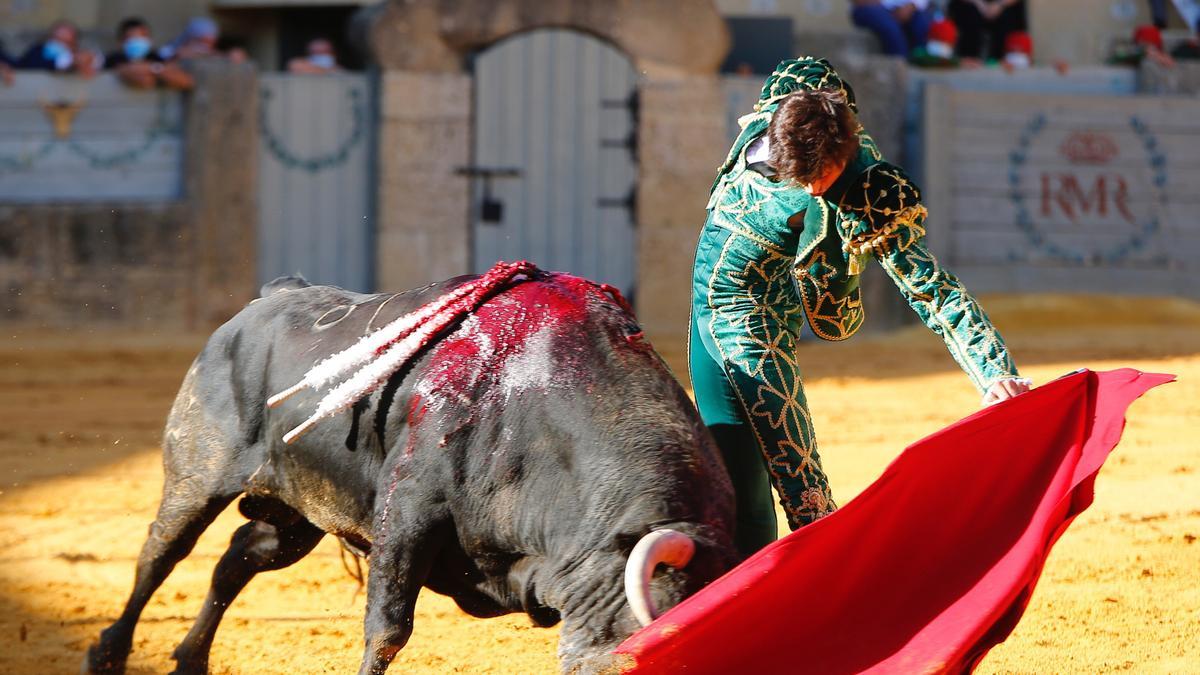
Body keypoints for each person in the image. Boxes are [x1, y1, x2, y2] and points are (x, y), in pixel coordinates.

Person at [690, 57, 1029, 556]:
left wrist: (994, 370)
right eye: (798, 176)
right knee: (735, 482)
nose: (808, 189)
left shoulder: (870, 189)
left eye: (819, 176)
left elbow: (931, 289)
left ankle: (828, 603)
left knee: (803, 491)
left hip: (755, 321)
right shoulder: (796, 91)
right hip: (704, 312)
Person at [105, 17, 194, 90]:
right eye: (133, 37)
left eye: (143, 36)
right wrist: (159, 70)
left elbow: (187, 81)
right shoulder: (113, 59)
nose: (139, 41)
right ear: (121, 42)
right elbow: (145, 81)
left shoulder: (155, 57)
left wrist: (153, 68)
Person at [947, 0, 1027, 62]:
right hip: (973, 4)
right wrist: (980, 4)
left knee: (1009, 15)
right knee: (970, 13)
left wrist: (999, 4)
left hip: (1003, 5)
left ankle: (1003, 58)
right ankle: (969, 58)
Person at [15, 19, 101, 77]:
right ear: (49, 39)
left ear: (75, 45)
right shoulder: (36, 52)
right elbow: (43, 65)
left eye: (67, 42)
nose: (60, 45)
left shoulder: (78, 54)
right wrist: (72, 62)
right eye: (57, 40)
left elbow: (99, 62)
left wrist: (89, 61)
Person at [850, 0, 935, 58]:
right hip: (871, 6)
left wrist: (911, 5)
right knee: (891, 31)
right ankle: (901, 71)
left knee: (922, 23)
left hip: (907, 7)